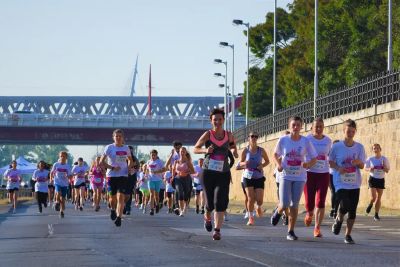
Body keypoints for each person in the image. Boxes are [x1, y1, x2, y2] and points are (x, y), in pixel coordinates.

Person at [193, 108, 238, 241]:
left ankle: (217, 230)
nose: (217, 121)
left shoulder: (228, 135)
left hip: (223, 173)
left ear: (223, 120)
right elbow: (195, 148)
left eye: (220, 119)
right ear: (211, 121)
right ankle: (207, 217)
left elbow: (233, 145)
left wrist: (234, 152)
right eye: (215, 119)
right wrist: (205, 150)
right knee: (210, 205)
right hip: (208, 173)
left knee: (220, 202)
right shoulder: (208, 134)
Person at [271, 116, 317, 241]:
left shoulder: (305, 141)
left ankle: (290, 231)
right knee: (285, 203)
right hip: (285, 175)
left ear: (301, 126)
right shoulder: (283, 140)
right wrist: (279, 165)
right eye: (293, 125)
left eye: (298, 125)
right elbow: (275, 154)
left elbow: (314, 158)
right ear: (289, 126)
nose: (296, 127)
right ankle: (278, 211)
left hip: (300, 176)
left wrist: (308, 164)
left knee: (294, 204)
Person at [329, 119, 366, 244]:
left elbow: (362, 166)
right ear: (344, 131)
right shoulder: (336, 146)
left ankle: (348, 235)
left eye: (352, 131)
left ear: (355, 132)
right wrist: (339, 168)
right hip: (340, 182)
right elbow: (330, 161)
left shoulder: (360, 147)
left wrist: (358, 162)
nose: (350, 133)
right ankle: (339, 219)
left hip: (354, 182)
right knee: (345, 203)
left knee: (352, 210)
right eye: (348, 131)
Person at [303, 118, 332, 238]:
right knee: (309, 203)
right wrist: (306, 163)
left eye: (321, 127)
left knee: (320, 202)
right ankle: (309, 213)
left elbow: (330, 156)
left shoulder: (328, 141)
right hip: (309, 173)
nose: (319, 129)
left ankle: (317, 228)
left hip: (323, 173)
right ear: (311, 128)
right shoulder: (306, 140)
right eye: (316, 127)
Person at [100, 129, 134, 227]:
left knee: (121, 197)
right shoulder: (109, 147)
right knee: (112, 198)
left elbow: (130, 161)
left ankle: (119, 217)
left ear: (123, 138)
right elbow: (102, 161)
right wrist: (112, 168)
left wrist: (128, 167)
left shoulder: (126, 148)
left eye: (120, 136)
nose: (118, 138)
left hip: (123, 175)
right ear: (113, 137)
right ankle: (112, 209)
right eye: (116, 136)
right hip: (111, 175)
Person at [239, 131, 270, 226]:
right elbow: (240, 163)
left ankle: (258, 206)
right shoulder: (245, 150)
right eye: (252, 136)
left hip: (259, 176)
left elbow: (267, 161)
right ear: (248, 138)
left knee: (260, 200)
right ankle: (250, 217)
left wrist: (262, 165)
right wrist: (245, 163)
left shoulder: (261, 150)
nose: (254, 138)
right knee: (250, 198)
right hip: (248, 177)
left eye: (256, 136)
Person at [364, 144, 390, 221]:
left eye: (377, 148)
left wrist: (383, 167)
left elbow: (387, 170)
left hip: (381, 179)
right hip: (373, 179)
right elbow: (365, 168)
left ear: (380, 149)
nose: (376, 149)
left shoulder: (384, 159)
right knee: (373, 197)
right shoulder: (370, 159)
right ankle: (370, 204)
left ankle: (376, 214)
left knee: (379, 198)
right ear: (372, 150)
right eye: (374, 148)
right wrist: (370, 169)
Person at [172, 147, 195, 216]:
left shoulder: (188, 162)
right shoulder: (176, 161)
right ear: (179, 152)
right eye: (181, 151)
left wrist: (187, 172)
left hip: (186, 179)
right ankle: (181, 210)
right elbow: (173, 169)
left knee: (186, 194)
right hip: (178, 179)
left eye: (183, 152)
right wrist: (173, 176)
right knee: (180, 192)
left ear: (185, 153)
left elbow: (193, 171)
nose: (182, 153)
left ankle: (185, 207)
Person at [50, 151, 72, 218]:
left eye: (63, 156)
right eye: (61, 156)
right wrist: (51, 179)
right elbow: (51, 173)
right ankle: (56, 202)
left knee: (62, 199)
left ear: (66, 157)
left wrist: (68, 176)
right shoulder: (56, 164)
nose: (62, 157)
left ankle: (61, 211)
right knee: (58, 192)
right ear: (59, 157)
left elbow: (70, 176)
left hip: (64, 183)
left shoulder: (67, 166)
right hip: (57, 181)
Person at [146, 150, 166, 216]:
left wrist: (157, 172)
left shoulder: (159, 162)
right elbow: (147, 170)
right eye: (152, 155)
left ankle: (157, 204)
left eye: (154, 155)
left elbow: (164, 169)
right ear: (150, 155)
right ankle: (151, 209)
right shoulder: (148, 162)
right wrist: (146, 175)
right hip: (150, 179)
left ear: (156, 155)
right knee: (151, 194)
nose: (153, 156)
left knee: (156, 195)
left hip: (157, 180)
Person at [124, 145, 139, 215]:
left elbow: (137, 167)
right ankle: (123, 206)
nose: (130, 151)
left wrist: (133, 167)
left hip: (131, 177)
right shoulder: (123, 157)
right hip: (123, 177)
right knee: (122, 193)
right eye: (129, 150)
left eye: (131, 150)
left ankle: (128, 208)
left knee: (128, 193)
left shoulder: (134, 158)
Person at [329, 140, 340, 218]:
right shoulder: (329, 153)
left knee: (338, 192)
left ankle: (336, 210)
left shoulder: (341, 153)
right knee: (333, 192)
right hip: (331, 174)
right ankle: (333, 208)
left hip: (339, 175)